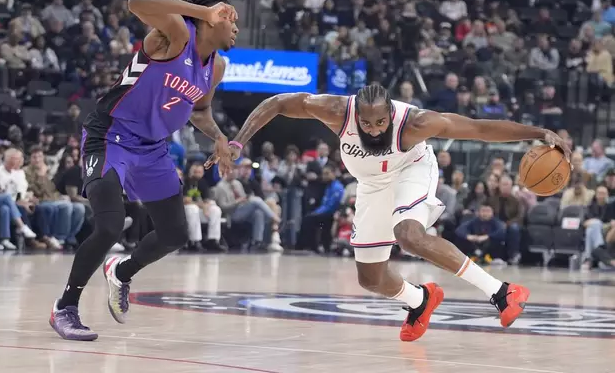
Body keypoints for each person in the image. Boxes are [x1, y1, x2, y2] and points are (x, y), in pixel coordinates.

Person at [211, 84, 571, 342]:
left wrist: (538, 133)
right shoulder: (335, 110)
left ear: (390, 114)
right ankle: (420, 300)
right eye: (366, 125)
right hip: (372, 185)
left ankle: (503, 291)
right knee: (370, 278)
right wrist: (238, 141)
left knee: (408, 235)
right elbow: (277, 102)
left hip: (412, 169)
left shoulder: (416, 123)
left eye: (380, 123)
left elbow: (478, 129)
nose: (373, 130)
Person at [49, 0, 239, 341]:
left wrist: (218, 136)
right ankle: (66, 307)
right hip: (111, 136)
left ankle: (122, 272)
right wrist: (202, 10)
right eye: (232, 17)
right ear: (210, 17)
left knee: (175, 234)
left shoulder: (218, 66)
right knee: (109, 226)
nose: (236, 27)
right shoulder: (176, 35)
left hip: (152, 148)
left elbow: (199, 111)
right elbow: (136, 0)